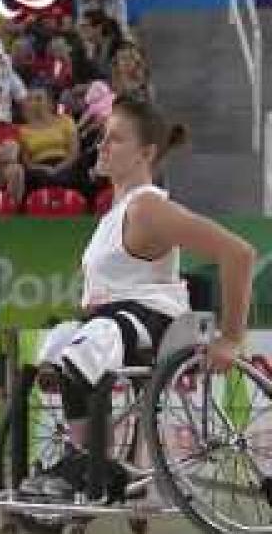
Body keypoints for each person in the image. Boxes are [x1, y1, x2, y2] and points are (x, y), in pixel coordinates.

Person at [20, 96, 255, 502]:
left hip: (151, 322)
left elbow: (239, 253)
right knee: (58, 343)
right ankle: (89, 461)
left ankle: (85, 464)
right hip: (117, 321)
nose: (102, 147)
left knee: (91, 342)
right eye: (103, 138)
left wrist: (231, 337)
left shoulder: (147, 207)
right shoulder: (116, 211)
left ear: (145, 153)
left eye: (115, 139)